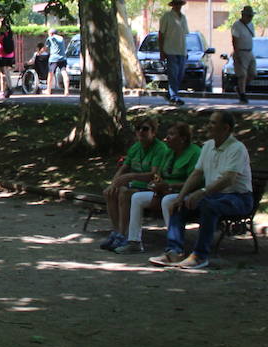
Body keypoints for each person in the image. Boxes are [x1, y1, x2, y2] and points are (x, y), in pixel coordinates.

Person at [150, 110, 254, 271]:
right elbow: (197, 173)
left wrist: (202, 192)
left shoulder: (237, 148)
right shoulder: (208, 146)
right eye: (209, 122)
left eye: (213, 123)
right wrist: (181, 196)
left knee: (208, 206)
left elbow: (228, 179)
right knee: (179, 205)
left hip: (238, 198)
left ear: (225, 128)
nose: (208, 126)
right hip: (214, 196)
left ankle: (200, 256)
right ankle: (174, 252)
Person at [118, 121, 201, 253]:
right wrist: (156, 186)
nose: (167, 138)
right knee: (137, 197)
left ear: (183, 138)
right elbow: (159, 175)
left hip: (186, 193)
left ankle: (174, 245)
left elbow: (195, 181)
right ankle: (134, 242)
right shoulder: (169, 152)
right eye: (167, 134)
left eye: (172, 134)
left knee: (167, 201)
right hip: (164, 191)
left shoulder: (195, 153)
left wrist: (170, 186)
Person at [99, 116, 167, 252]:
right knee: (110, 193)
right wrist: (113, 184)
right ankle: (116, 232)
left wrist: (132, 176)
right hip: (135, 186)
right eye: (138, 128)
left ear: (153, 132)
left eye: (145, 129)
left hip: (151, 188)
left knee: (124, 193)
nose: (141, 131)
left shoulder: (160, 149)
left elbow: (154, 175)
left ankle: (123, 234)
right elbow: (123, 168)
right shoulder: (135, 148)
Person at [158, 0, 189, 106]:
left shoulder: (183, 17)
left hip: (182, 51)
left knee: (180, 75)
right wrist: (162, 51)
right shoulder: (166, 16)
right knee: (173, 75)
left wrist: (186, 51)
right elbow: (161, 34)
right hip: (170, 50)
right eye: (176, 4)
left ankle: (170, 94)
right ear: (173, 5)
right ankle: (174, 97)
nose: (178, 6)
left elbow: (184, 34)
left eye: (179, 4)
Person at [230, 5, 257, 104]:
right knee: (242, 74)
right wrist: (237, 54)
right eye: (248, 16)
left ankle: (240, 88)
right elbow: (234, 40)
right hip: (240, 51)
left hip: (249, 51)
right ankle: (242, 94)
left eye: (251, 16)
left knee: (253, 73)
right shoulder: (237, 25)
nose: (250, 18)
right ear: (243, 15)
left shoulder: (251, 25)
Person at [0, 18, 16, 99]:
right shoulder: (9, 31)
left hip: (1, 54)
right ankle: (9, 87)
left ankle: (4, 90)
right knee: (6, 71)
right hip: (9, 55)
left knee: (2, 73)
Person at [46, 28, 68, 95]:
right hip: (62, 58)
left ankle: (48, 90)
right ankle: (66, 90)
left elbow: (47, 46)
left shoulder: (50, 38)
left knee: (50, 74)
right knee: (64, 73)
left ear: (51, 33)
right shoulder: (61, 38)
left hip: (53, 59)